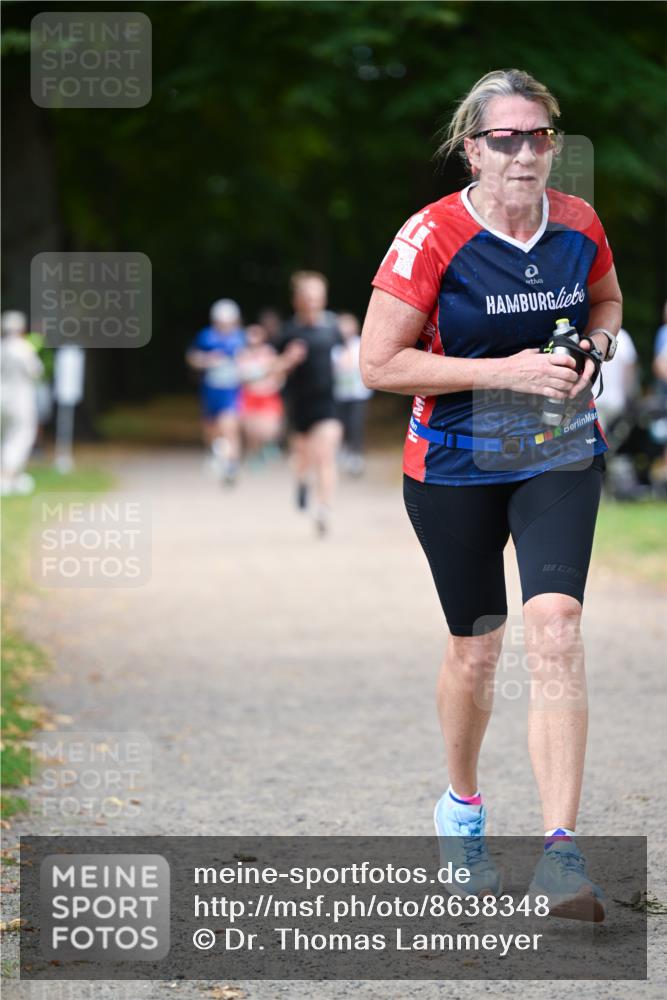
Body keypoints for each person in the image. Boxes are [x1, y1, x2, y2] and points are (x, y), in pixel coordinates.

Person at [360, 69, 622, 921]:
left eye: (537, 135)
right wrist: (501, 371)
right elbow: (380, 364)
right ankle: (462, 809)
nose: (523, 152)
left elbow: (608, 301)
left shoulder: (578, 225)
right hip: (453, 462)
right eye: (503, 138)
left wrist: (597, 344)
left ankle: (560, 854)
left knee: (556, 624)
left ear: (553, 142)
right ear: (471, 150)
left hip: (555, 448)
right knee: (477, 645)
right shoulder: (431, 235)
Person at [276, 272, 343, 536]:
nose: (314, 301)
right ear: (298, 300)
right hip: (298, 405)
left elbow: (349, 358)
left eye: (318, 296)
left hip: (328, 404)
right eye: (308, 296)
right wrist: (288, 360)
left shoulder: (333, 329)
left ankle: (324, 508)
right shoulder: (288, 332)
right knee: (303, 457)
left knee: (325, 455)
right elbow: (272, 371)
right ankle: (302, 482)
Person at [186, 299, 246, 486]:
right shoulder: (206, 336)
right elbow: (192, 357)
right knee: (211, 430)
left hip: (231, 391)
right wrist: (206, 360)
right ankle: (216, 453)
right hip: (210, 390)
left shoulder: (240, 338)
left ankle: (231, 465)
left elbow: (250, 360)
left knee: (229, 427)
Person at [1, 310, 44, 495]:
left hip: (2, 399)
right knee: (21, 437)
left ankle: (14, 478)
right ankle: (6, 477)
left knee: (6, 438)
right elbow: (36, 371)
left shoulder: (2, 347)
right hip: (20, 400)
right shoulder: (23, 348)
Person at [332, 312, 373, 476]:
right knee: (343, 425)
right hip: (340, 394)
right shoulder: (334, 347)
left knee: (356, 424)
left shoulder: (360, 345)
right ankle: (346, 451)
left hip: (358, 394)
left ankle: (356, 455)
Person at [238, 323, 285, 460]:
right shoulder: (243, 353)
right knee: (251, 428)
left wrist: (275, 381)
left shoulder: (268, 352)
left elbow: (277, 371)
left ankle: (269, 445)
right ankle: (255, 453)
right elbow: (241, 375)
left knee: (270, 427)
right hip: (250, 394)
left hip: (268, 393)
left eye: (256, 334)